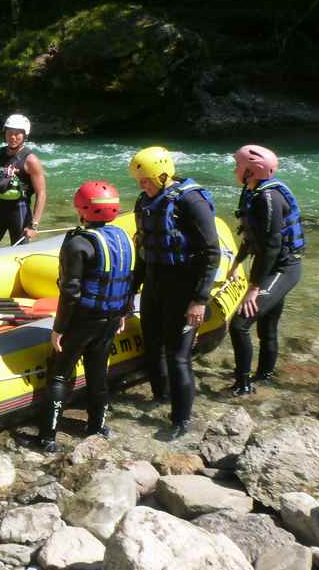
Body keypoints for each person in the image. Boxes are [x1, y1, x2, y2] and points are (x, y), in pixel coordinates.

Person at [33, 181, 134, 452]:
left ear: (83, 209)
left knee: (59, 375)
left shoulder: (78, 242)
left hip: (83, 320)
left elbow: (70, 291)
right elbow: (130, 278)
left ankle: (47, 438)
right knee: (98, 371)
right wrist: (125, 311)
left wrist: (59, 327)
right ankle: (97, 426)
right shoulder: (125, 237)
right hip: (111, 317)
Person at [128, 146, 220, 440]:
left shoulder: (191, 201)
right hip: (155, 285)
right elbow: (144, 250)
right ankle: (160, 397)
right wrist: (132, 290)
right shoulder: (144, 202)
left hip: (184, 288)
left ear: (163, 174)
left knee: (178, 356)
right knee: (152, 345)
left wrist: (200, 299)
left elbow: (211, 252)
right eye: (139, 181)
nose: (142, 186)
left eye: (146, 180)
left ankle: (181, 421)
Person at [226, 145, 304, 395]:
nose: (234, 169)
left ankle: (244, 383)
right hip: (271, 266)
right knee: (267, 325)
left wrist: (253, 289)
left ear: (251, 171)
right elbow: (252, 236)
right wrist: (237, 262)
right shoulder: (252, 192)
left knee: (239, 325)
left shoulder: (267, 198)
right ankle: (265, 375)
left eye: (238, 165)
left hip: (283, 268)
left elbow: (270, 247)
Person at [0, 114, 47, 248]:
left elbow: (41, 193)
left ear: (25, 135)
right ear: (5, 134)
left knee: (20, 254)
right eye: (9, 133)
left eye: (17, 134)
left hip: (20, 212)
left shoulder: (31, 160)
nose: (13, 137)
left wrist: (34, 225)